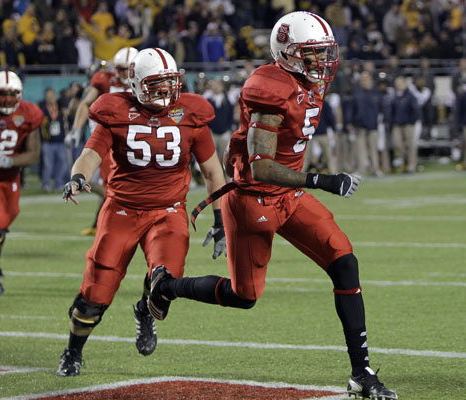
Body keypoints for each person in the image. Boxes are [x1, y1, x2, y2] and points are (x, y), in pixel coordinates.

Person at [145, 12, 398, 400]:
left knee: (344, 261)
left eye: (324, 53)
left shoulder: (309, 79)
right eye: (313, 54)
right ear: (289, 54)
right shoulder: (270, 88)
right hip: (252, 199)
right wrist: (322, 180)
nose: (323, 62)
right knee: (244, 296)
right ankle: (166, 286)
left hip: (289, 197)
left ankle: (361, 373)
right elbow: (261, 165)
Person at [56, 48, 226, 376]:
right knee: (96, 291)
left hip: (168, 211)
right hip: (121, 209)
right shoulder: (116, 111)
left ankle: (144, 312)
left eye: (169, 83)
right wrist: (79, 176)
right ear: (134, 84)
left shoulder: (191, 114)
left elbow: (213, 172)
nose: (165, 92)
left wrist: (220, 218)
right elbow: (91, 153)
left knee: (166, 282)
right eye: (155, 84)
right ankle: (72, 351)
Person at [0, 71, 44, 295]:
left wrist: (8, 160)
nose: (7, 100)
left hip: (9, 176)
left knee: (3, 220)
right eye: (2, 95)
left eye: (12, 95)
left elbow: (33, 154)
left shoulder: (29, 113)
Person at [67, 47, 138, 236]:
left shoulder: (146, 83)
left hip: (134, 141)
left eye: (126, 69)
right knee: (111, 184)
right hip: (108, 141)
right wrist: (76, 129)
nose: (122, 73)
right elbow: (85, 103)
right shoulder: (106, 80)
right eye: (120, 69)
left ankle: (101, 222)